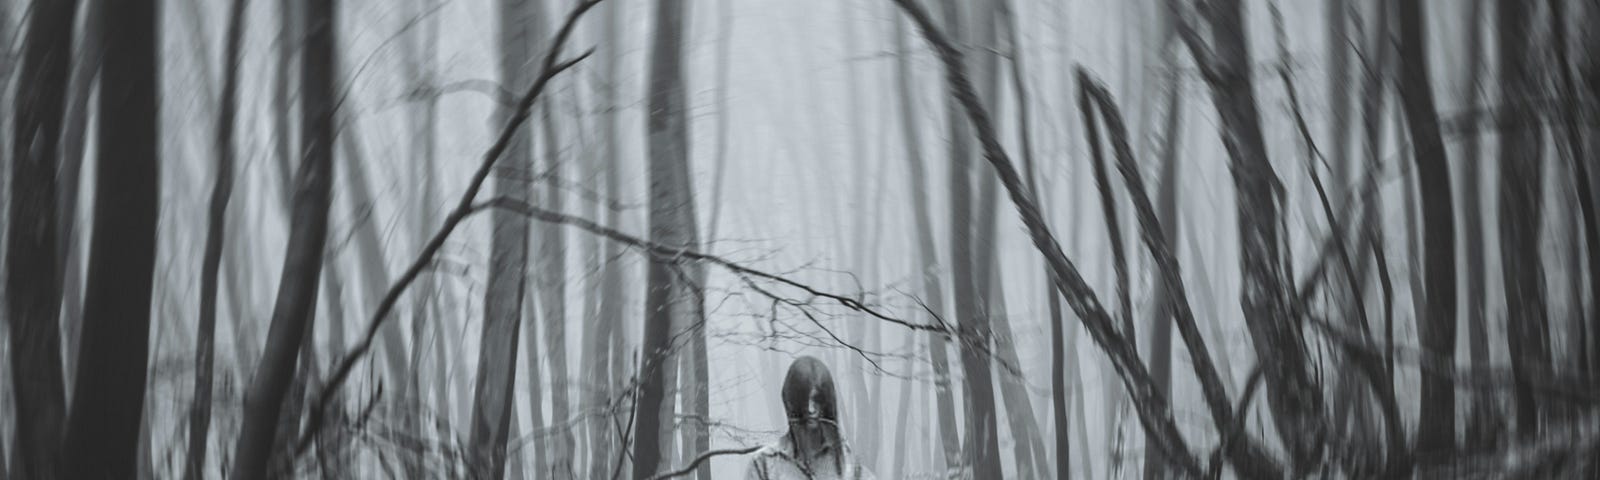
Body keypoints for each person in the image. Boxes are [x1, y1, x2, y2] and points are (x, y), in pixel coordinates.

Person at [745, 356, 876, 480]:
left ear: (826, 401)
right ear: (792, 401)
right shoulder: (764, 464)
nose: (811, 409)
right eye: (803, 400)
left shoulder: (851, 468)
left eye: (816, 399)